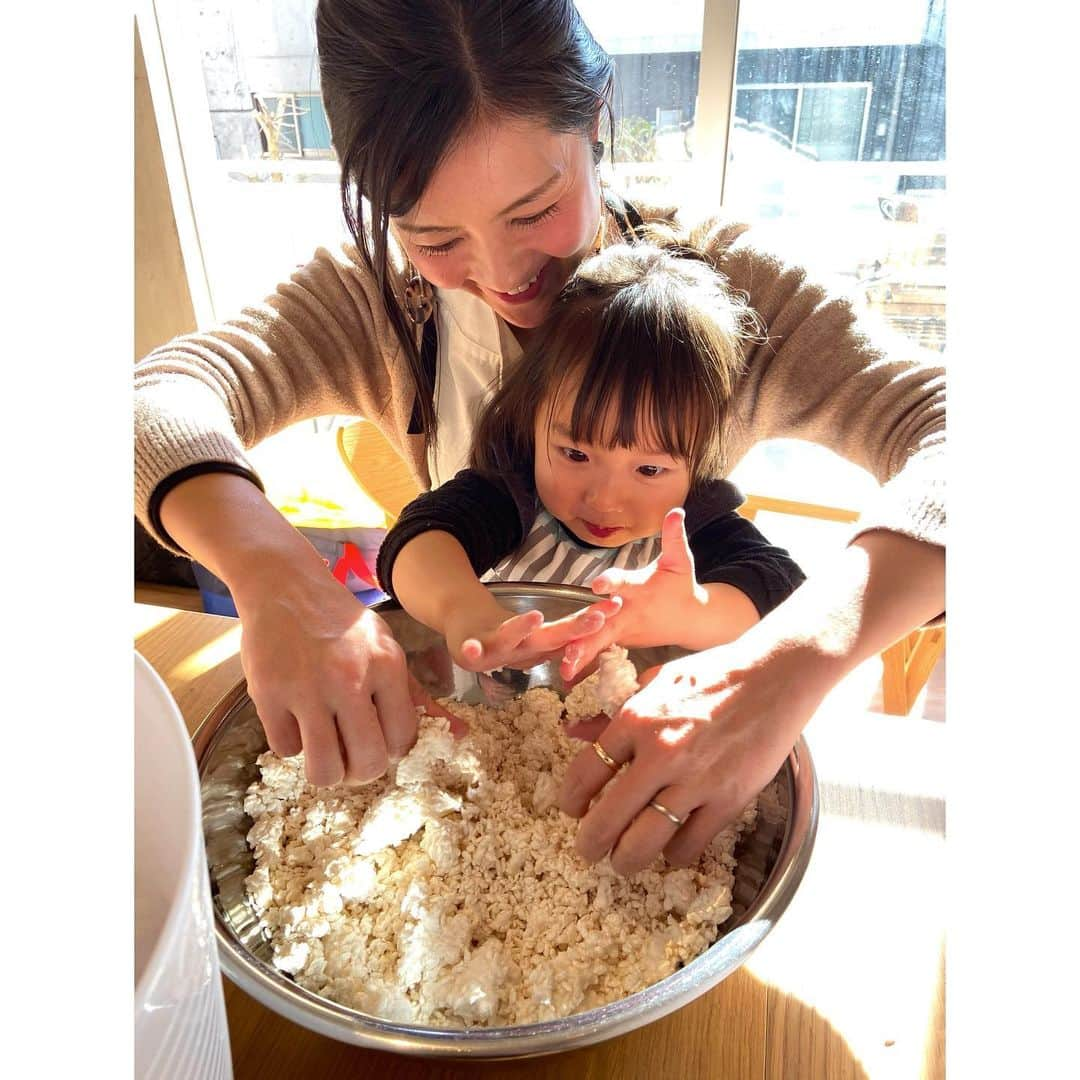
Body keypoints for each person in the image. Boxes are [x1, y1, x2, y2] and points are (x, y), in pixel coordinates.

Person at [134, 0, 944, 877]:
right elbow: (151, 403)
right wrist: (275, 577)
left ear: (597, 119)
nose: (501, 273)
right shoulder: (381, 299)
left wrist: (791, 659)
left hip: (676, 738)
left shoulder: (719, 296)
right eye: (434, 235)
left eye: (535, 209)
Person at [375, 239, 806, 674]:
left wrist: (694, 609)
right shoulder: (515, 492)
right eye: (576, 454)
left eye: (650, 469)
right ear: (532, 417)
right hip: (503, 690)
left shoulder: (692, 521)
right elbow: (416, 539)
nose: (604, 499)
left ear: (697, 459)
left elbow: (784, 593)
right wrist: (462, 609)